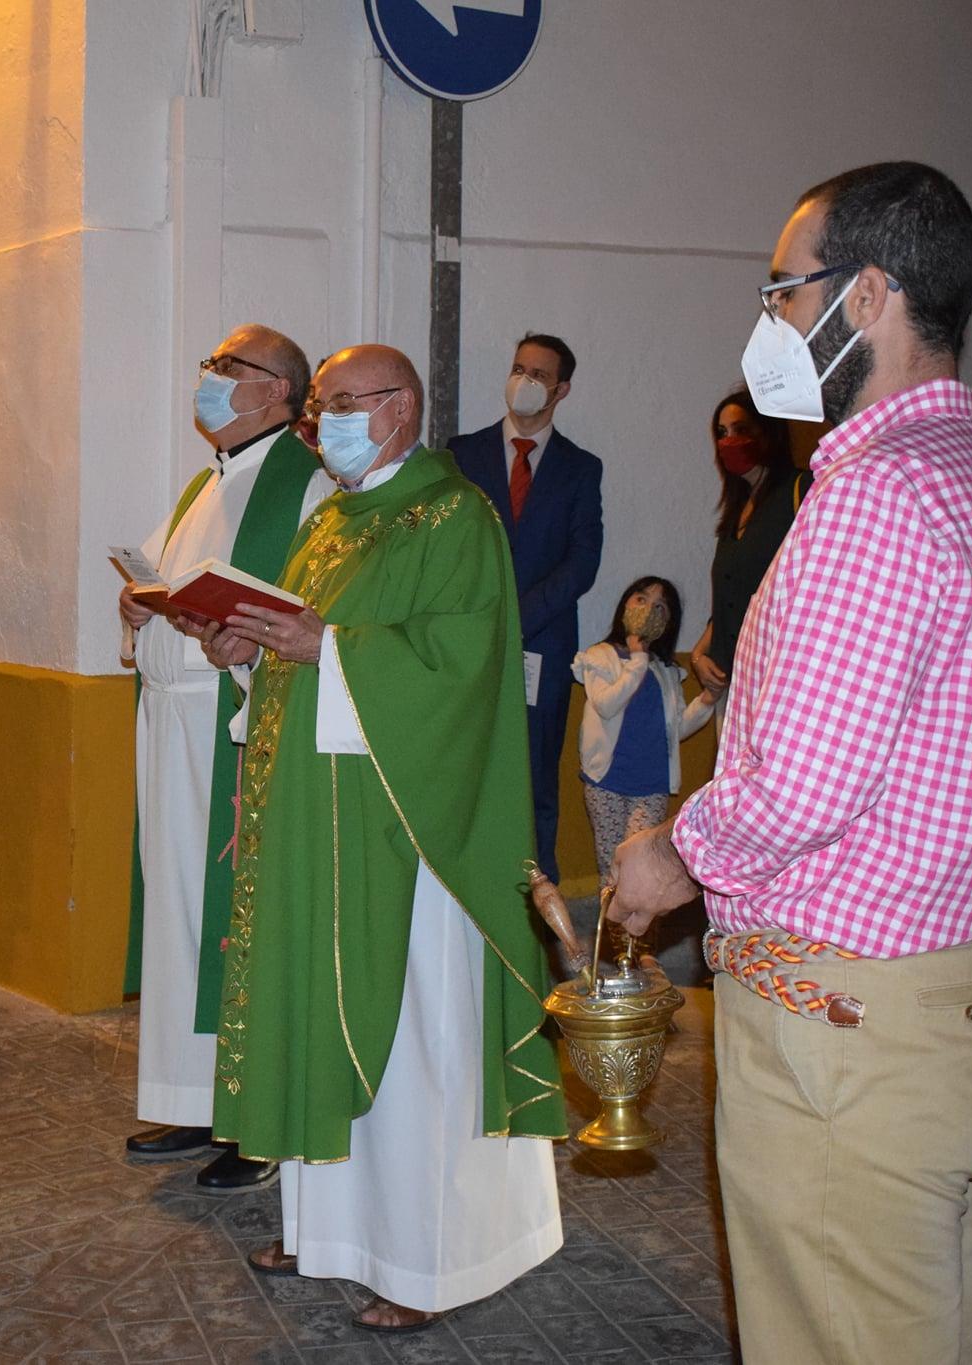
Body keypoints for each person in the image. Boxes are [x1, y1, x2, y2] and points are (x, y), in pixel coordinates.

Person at [609, 162, 972, 1365]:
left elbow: (801, 788)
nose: (765, 321)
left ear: (863, 296)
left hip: (849, 1018)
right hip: (944, 995)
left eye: (779, 291)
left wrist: (665, 856)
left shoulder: (876, 499)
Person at [195, 343, 563, 1332]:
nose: (325, 425)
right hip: (316, 819)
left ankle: (427, 1258)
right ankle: (328, 1235)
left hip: (409, 828)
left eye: (340, 405)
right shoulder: (329, 520)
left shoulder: (455, 517)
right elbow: (296, 644)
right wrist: (243, 645)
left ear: (399, 408)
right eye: (318, 409)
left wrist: (330, 649)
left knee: (411, 1049)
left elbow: (462, 668)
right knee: (318, 1017)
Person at [119, 322, 332, 1193]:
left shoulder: (307, 487)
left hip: (236, 731)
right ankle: (197, 1096)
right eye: (210, 362)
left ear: (277, 390)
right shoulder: (202, 486)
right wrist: (143, 613)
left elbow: (312, 613)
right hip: (172, 726)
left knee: (234, 917)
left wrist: (244, 647)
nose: (209, 377)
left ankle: (258, 1119)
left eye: (228, 366)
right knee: (179, 915)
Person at [449, 335, 603, 880]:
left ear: (561, 389)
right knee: (462, 768)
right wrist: (480, 617)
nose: (525, 381)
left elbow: (582, 564)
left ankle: (538, 904)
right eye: (519, 368)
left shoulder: (582, 469)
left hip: (540, 646)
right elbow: (445, 551)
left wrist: (515, 618)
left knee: (535, 778)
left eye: (539, 374)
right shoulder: (460, 455)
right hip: (465, 643)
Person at [570, 577, 716, 885]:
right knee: (611, 867)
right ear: (626, 603)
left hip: (651, 784)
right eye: (641, 599)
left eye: (660, 606)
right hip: (607, 780)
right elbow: (606, 704)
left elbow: (677, 728)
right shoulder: (599, 657)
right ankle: (609, 932)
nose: (648, 609)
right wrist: (636, 660)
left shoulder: (665, 670)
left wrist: (706, 700)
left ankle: (637, 934)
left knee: (639, 869)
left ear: (668, 622)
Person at [690, 391, 806, 694]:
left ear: (767, 432)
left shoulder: (802, 490)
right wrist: (700, 654)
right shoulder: (736, 511)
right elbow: (731, 597)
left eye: (741, 430)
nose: (729, 441)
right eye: (722, 433)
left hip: (782, 680)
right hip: (732, 680)